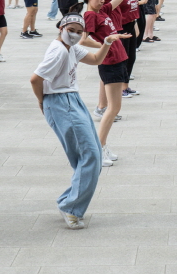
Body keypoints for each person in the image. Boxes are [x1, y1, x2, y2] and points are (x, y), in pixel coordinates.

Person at [30, 12, 127, 229]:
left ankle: (70, 201)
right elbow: (35, 79)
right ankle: (70, 207)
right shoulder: (58, 51)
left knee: (89, 155)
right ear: (61, 28)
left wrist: (106, 42)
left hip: (72, 99)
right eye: (70, 30)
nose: (74, 35)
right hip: (60, 102)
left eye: (78, 31)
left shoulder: (70, 47)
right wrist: (41, 101)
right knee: (90, 155)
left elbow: (94, 60)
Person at [81, 0, 131, 166]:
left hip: (118, 60)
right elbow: (84, 40)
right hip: (109, 63)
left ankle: (102, 146)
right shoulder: (90, 16)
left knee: (115, 107)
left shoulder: (102, 10)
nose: (102, 0)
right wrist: (107, 43)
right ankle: (98, 149)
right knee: (113, 108)